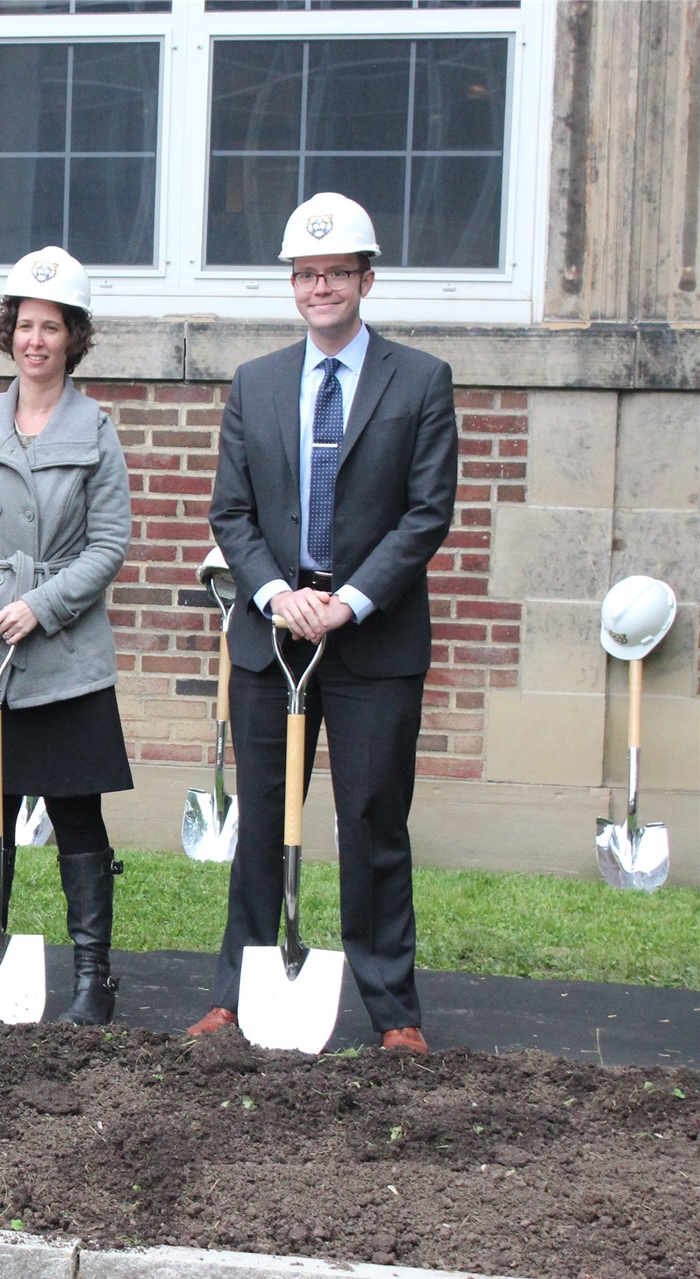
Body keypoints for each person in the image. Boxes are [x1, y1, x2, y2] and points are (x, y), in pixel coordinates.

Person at [188, 193, 458, 1055]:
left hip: (373, 641)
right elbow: (232, 515)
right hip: (275, 639)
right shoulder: (257, 383)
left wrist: (350, 600)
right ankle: (239, 994)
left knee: (374, 819)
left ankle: (393, 1010)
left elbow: (427, 513)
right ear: (293, 285)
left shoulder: (420, 380)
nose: (320, 287)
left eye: (337, 272)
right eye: (306, 274)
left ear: (365, 279)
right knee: (263, 821)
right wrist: (275, 594)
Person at [0, 246, 134, 1026]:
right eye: (24, 325)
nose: (35, 340)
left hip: (63, 655)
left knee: (77, 811)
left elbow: (110, 545)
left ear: (74, 337)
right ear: (7, 332)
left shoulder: (95, 430)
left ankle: (92, 978)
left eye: (52, 327)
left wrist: (41, 606)